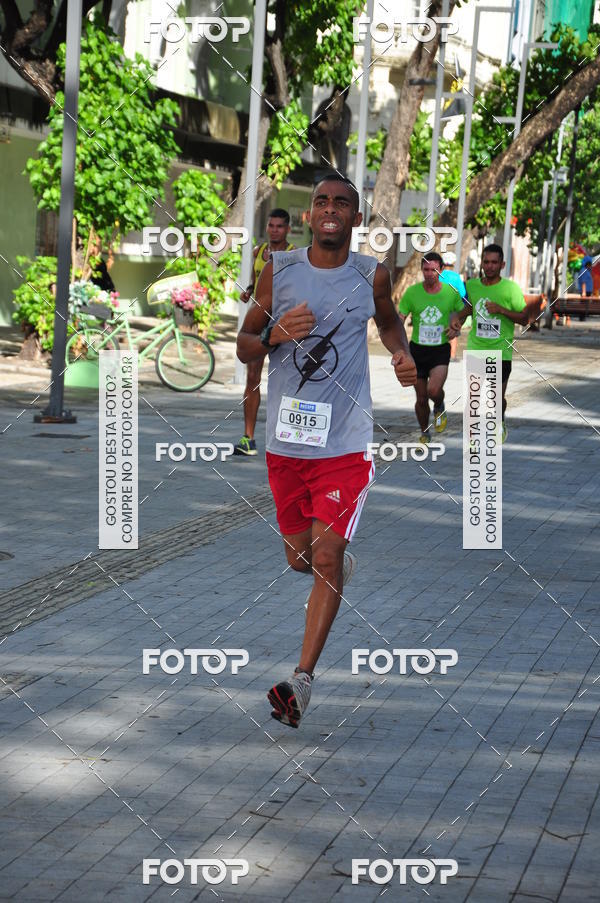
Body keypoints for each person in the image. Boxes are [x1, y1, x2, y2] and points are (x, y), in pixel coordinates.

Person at [236, 175, 417, 728]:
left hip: (345, 444)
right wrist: (271, 339)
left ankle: (301, 681)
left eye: (342, 203)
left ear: (355, 219)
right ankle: (329, 561)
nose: (331, 210)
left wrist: (402, 356)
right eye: (322, 202)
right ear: (309, 216)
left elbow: (388, 324)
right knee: (300, 557)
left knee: (325, 557)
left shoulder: (371, 275)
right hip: (286, 445)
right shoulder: (281, 270)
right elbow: (244, 343)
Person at [449, 243, 528, 444]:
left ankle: (499, 421)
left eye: (494, 262)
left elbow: (524, 318)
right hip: (477, 348)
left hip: (501, 351)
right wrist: (457, 319)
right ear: (482, 263)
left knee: (495, 399)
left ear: (502, 264)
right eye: (486, 262)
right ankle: (473, 441)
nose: (490, 266)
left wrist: (501, 310)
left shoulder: (511, 289)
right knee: (473, 397)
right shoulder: (472, 286)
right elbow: (467, 308)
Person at [234, 210, 295, 456]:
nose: (274, 230)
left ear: (287, 229)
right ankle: (248, 438)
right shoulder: (259, 252)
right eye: (271, 225)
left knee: (290, 382)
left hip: (283, 321)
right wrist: (249, 290)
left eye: (280, 226)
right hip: (259, 321)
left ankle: (289, 437)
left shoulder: (294, 255)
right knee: (252, 377)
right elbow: (256, 281)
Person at [398, 251, 464, 443]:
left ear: (441, 270)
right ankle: (424, 432)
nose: (429, 274)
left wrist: (456, 327)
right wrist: (399, 345)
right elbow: (400, 319)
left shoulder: (450, 292)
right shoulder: (412, 292)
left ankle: (439, 404)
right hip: (417, 350)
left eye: (433, 270)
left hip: (439, 349)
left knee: (433, 390)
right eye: (425, 270)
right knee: (420, 398)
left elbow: (460, 314)